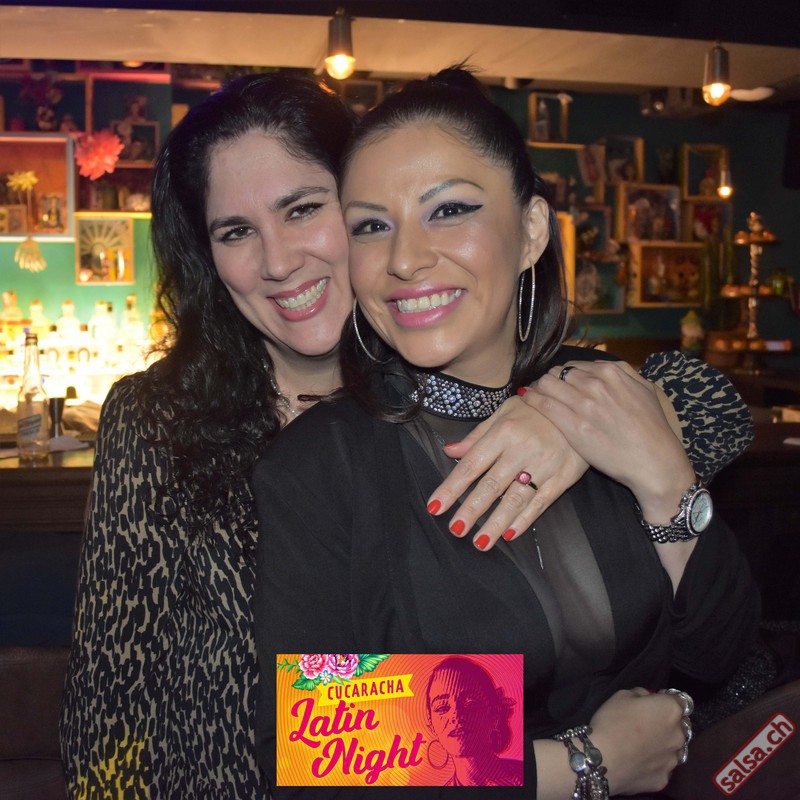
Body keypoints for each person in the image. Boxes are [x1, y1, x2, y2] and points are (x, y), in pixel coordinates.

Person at [60, 71, 752, 798]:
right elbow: (128, 689)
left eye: (305, 209)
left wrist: (574, 415)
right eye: (235, 231)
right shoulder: (176, 421)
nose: (278, 261)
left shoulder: (514, 389)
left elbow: (710, 407)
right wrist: (584, 763)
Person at [424, 656, 523, 787]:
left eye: (470, 704)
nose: (456, 714)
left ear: (494, 714)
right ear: (432, 726)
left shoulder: (524, 775)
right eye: (442, 708)